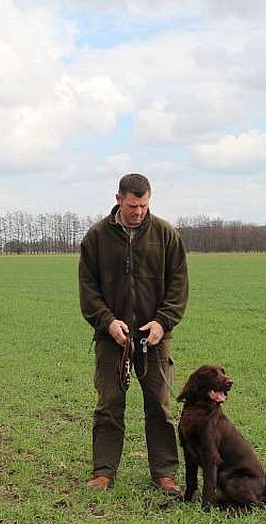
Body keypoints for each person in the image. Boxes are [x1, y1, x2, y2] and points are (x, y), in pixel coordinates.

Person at [78, 173, 189, 496]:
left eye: (143, 206)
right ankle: (103, 472)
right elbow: (88, 289)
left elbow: (178, 285)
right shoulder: (97, 237)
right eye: (132, 206)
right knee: (109, 405)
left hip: (155, 338)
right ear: (118, 199)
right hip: (112, 338)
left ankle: (164, 473)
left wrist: (162, 322)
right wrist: (108, 322)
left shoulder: (166, 235)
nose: (138, 212)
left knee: (159, 406)